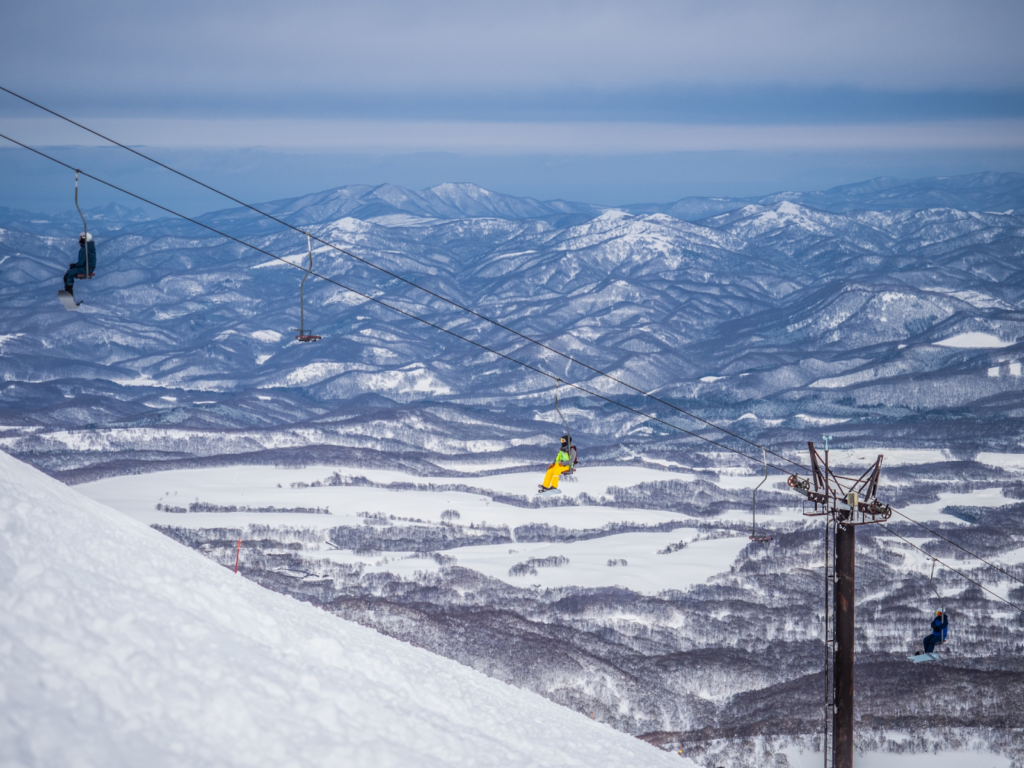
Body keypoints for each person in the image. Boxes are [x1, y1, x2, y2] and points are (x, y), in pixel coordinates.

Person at [62, 232, 96, 297]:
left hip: (85, 268)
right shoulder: (90, 248)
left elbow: (81, 262)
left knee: (68, 275)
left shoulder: (84, 249)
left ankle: (69, 294)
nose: (79, 240)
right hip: (89, 267)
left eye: (80, 238)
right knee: (70, 273)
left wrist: (75, 265)